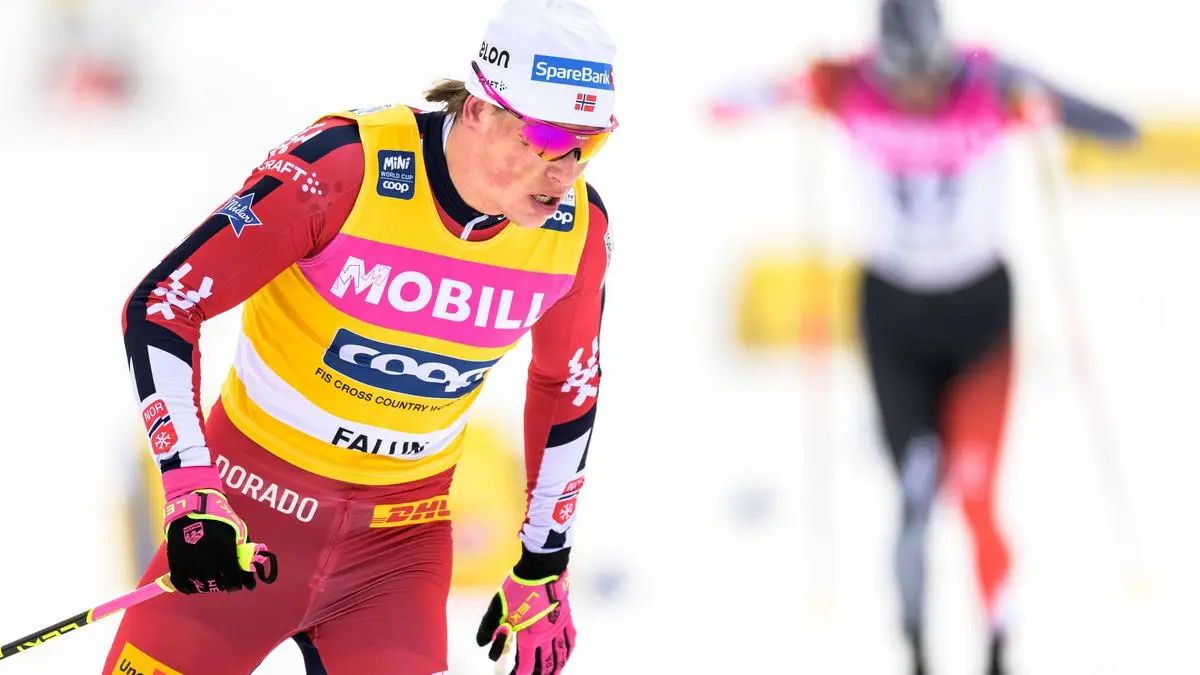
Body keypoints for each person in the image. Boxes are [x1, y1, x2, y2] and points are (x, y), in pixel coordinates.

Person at [104, 0, 617, 672]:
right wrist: (190, 486)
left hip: (396, 553)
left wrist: (545, 559)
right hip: (248, 514)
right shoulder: (344, 168)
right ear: (479, 109)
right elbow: (164, 304)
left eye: (589, 144)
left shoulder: (576, 233)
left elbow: (568, 381)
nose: (566, 170)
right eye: (548, 140)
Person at [710, 0, 1137, 673]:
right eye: (902, 78)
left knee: (975, 489)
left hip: (977, 314)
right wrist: (792, 84)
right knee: (914, 490)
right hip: (894, 315)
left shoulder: (989, 83)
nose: (917, 93)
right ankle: (915, 652)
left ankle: (997, 649)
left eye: (929, 77)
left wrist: (1046, 105)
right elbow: (721, 105)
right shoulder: (849, 86)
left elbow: (1118, 128)